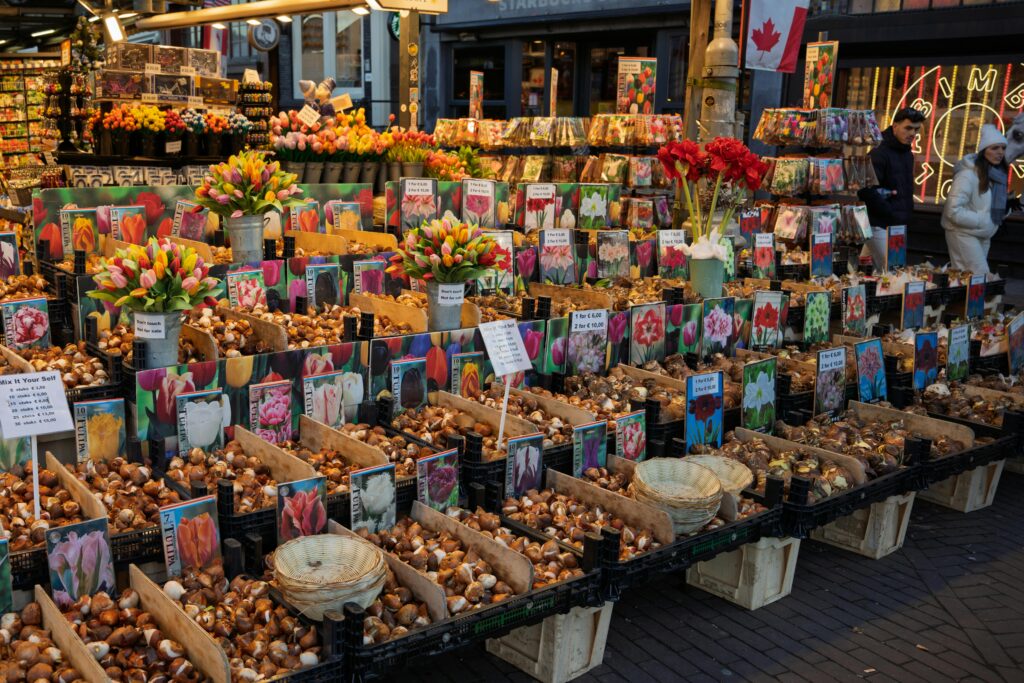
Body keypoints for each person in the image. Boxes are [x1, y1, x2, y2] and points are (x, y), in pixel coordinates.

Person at [858, 107, 925, 270]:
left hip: (894, 225)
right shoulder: (879, 153)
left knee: (867, 271)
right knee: (894, 271)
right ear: (895, 126)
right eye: (908, 128)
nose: (912, 133)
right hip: (878, 224)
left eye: (916, 129)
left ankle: (851, 290)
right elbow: (865, 189)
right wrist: (890, 211)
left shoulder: (907, 154)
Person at [942, 125, 1009, 275]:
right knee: (979, 277)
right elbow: (952, 210)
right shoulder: (967, 175)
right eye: (995, 148)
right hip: (963, 233)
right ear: (983, 150)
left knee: (967, 281)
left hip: (984, 234)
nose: (1000, 152)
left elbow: (988, 208)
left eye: (1003, 148)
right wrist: (982, 220)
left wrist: (1006, 206)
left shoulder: (997, 176)